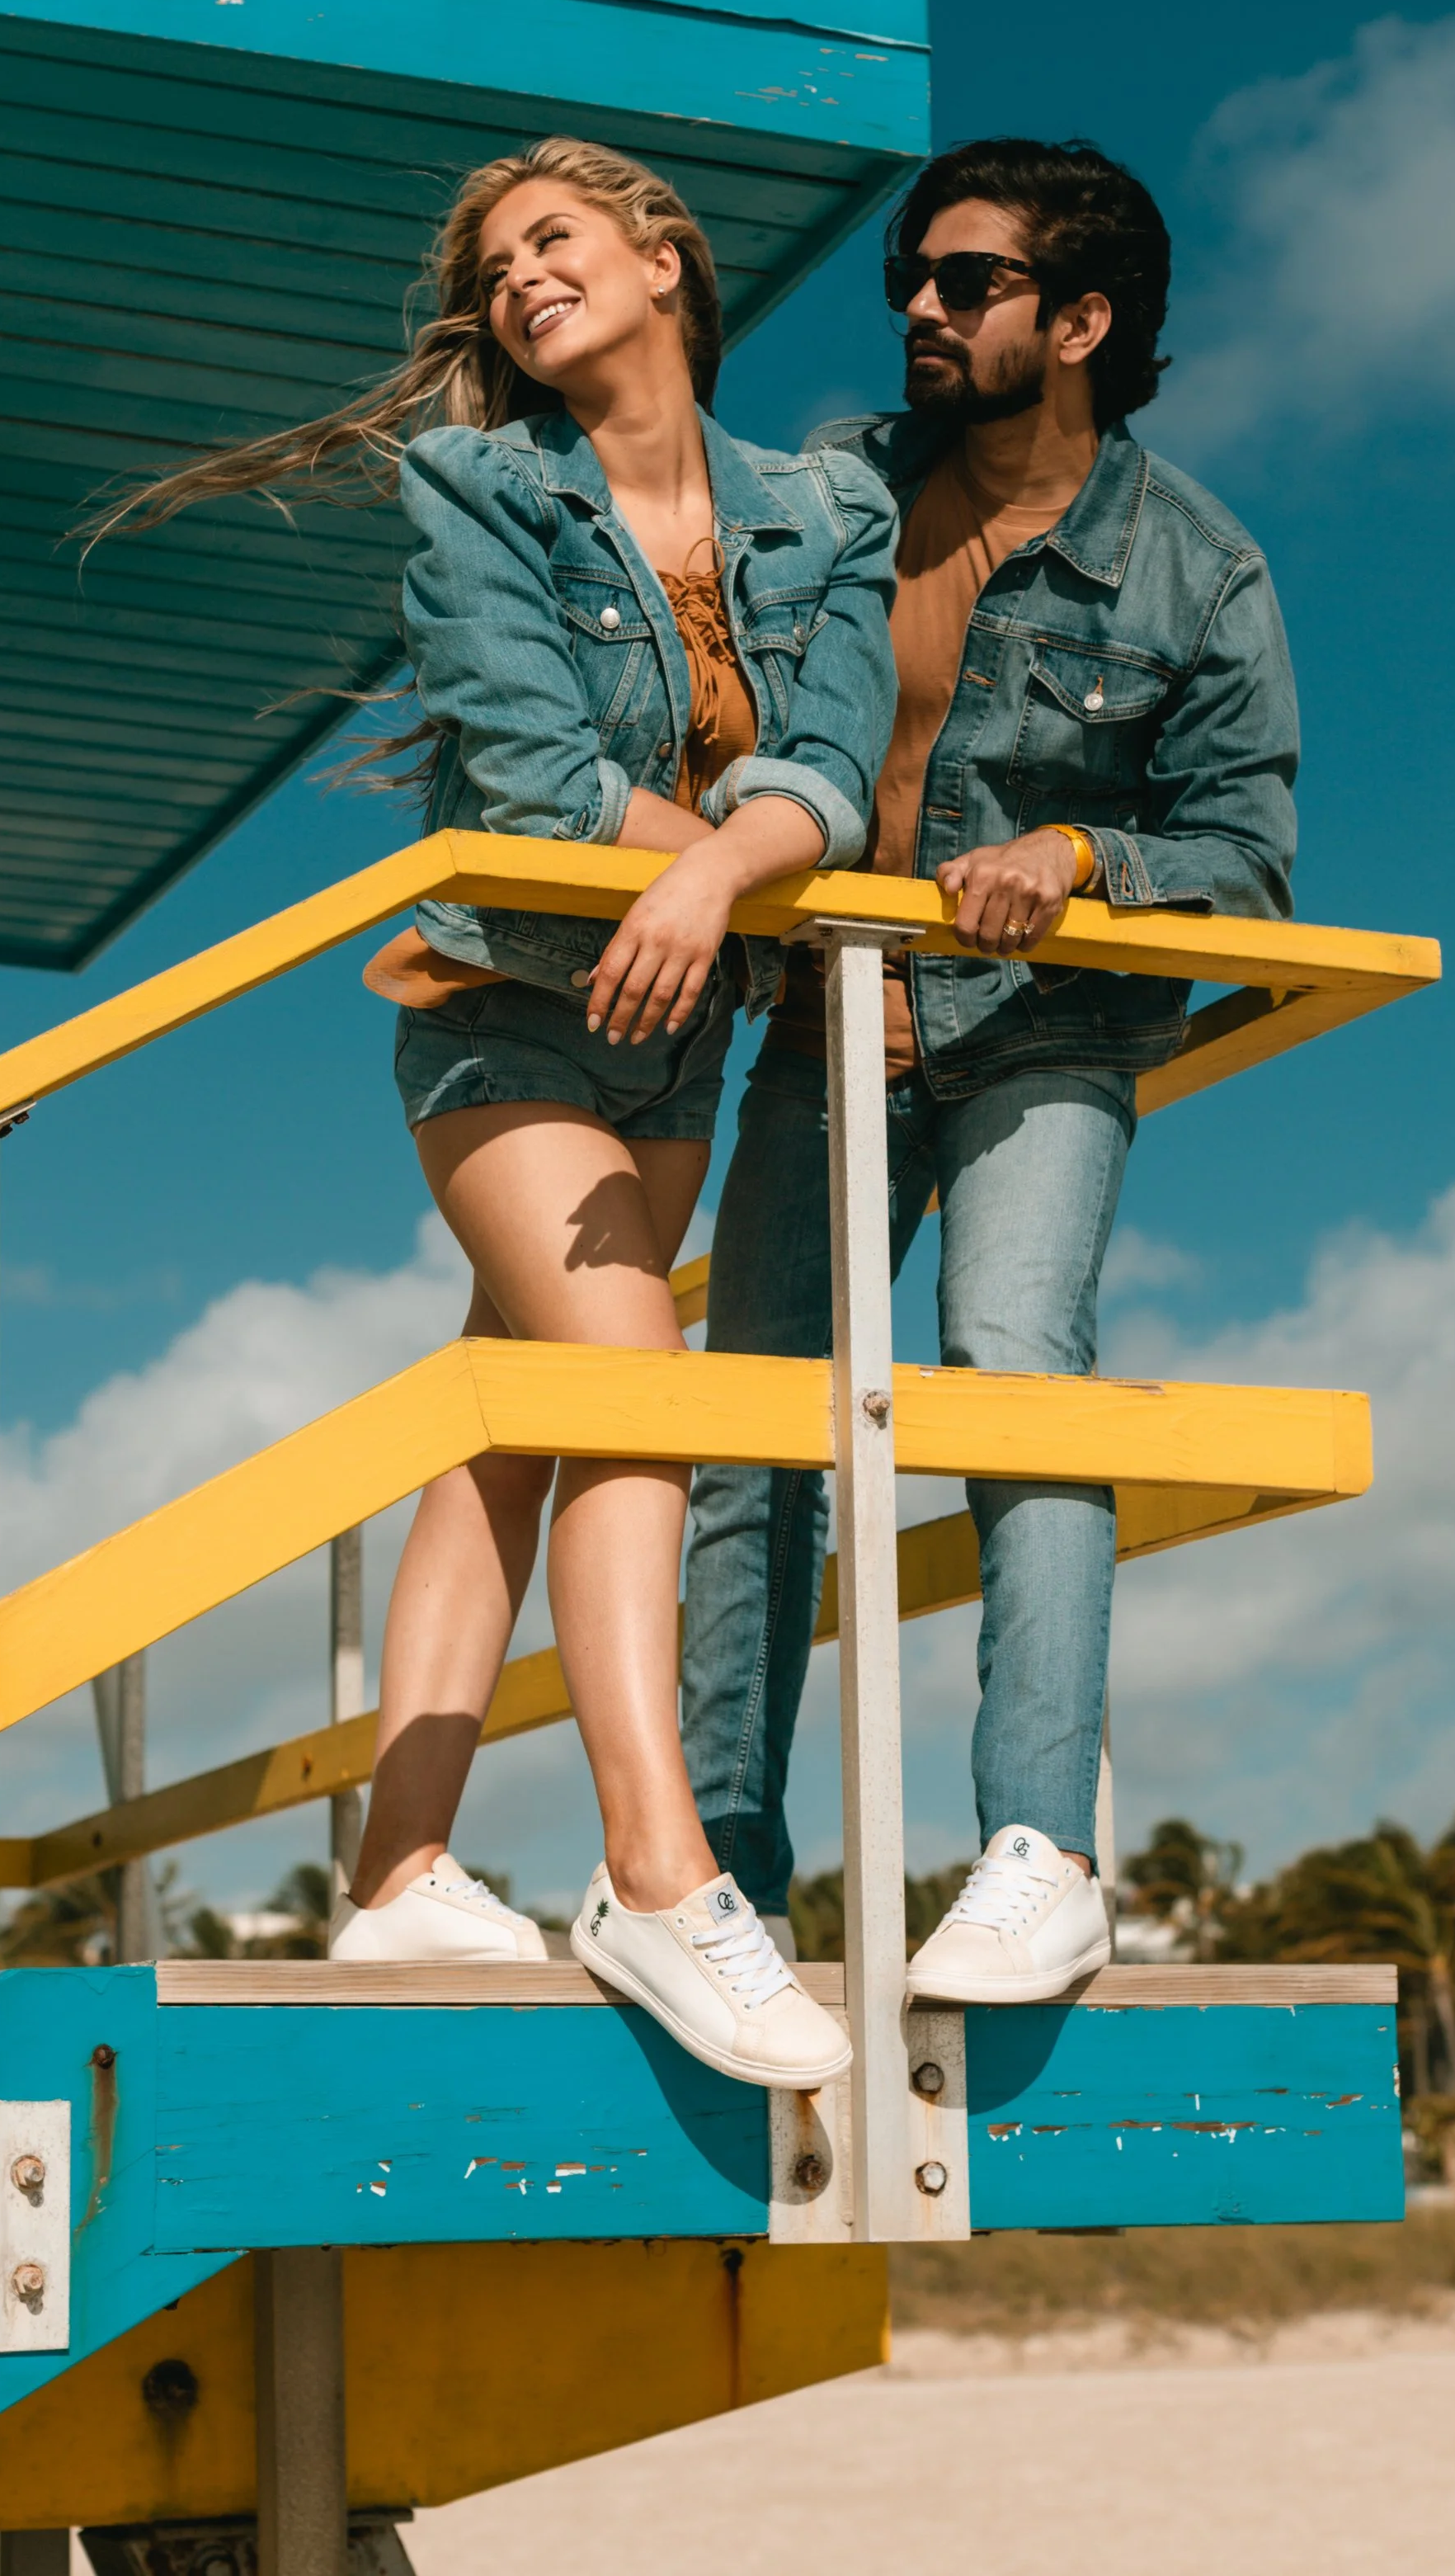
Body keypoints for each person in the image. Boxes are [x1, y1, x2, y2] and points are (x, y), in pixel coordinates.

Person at [120, 136, 896, 2088]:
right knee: (636, 1389)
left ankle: (398, 1869)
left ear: (662, 258)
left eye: (554, 239)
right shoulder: (479, 485)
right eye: (494, 269)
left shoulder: (825, 508)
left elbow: (831, 762)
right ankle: (655, 1871)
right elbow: (538, 774)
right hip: (505, 1016)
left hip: (675, 1029)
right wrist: (720, 873)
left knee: (519, 1426)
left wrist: (713, 885)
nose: (521, 278)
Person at [680, 138, 1298, 2003]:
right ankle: (719, 1872)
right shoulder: (836, 489)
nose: (920, 310)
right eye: (911, 281)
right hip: (821, 1028)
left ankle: (1040, 1851)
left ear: (1082, 320)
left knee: (1017, 1374)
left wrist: (1085, 853)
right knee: (753, 1437)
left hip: (1043, 1029)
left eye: (966, 282)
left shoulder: (1196, 567)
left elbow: (1249, 859)